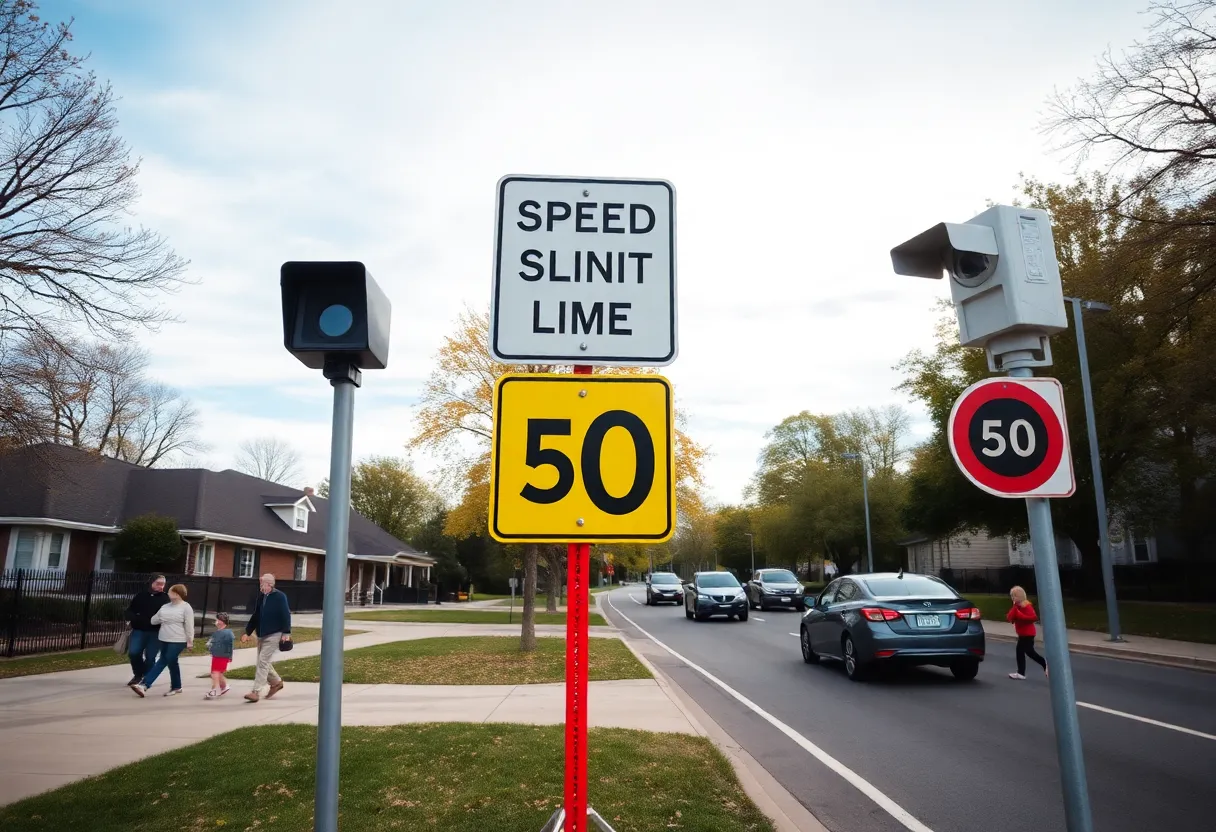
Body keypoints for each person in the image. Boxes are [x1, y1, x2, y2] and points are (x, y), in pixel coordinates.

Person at [131, 583, 194, 697]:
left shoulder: (186, 607)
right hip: (164, 638)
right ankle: (177, 686)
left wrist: (190, 641)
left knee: (163, 660)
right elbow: (153, 621)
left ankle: (144, 684)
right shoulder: (165, 607)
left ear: (176, 593)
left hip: (178, 640)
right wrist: (161, 618)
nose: (167, 593)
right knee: (172, 662)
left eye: (170, 591)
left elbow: (189, 625)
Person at [242, 573, 292, 703]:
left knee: (263, 661)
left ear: (269, 584)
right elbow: (256, 615)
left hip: (275, 634)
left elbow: (286, 614)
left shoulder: (280, 597)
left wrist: (286, 633)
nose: (260, 586)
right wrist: (247, 632)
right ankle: (276, 682)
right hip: (262, 634)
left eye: (262, 583)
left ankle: (256, 692)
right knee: (261, 661)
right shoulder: (262, 597)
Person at [124, 574, 169, 686]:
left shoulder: (166, 598)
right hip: (139, 630)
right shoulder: (141, 596)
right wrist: (133, 618)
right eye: (158, 583)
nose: (161, 586)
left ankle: (145, 680)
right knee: (134, 653)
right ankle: (138, 674)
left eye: (163, 584)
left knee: (150, 656)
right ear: (151, 583)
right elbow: (130, 610)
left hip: (156, 633)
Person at [1007, 585, 1048, 680]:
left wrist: (1019, 615)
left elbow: (1033, 618)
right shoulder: (1017, 607)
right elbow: (1010, 617)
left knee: (1027, 652)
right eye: (1012, 596)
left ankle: (1044, 664)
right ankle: (1021, 673)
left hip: (1028, 634)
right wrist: (1014, 607)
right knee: (1023, 652)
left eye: (1014, 596)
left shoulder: (1027, 606)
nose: (1013, 598)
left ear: (1020, 596)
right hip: (1022, 634)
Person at [205, 612, 235, 699]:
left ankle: (214, 690)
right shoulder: (216, 633)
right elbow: (212, 643)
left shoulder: (228, 633)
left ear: (222, 622)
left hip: (223, 656)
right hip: (216, 656)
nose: (216, 621)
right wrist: (210, 647)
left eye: (217, 620)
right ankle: (224, 687)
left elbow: (230, 646)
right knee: (218, 673)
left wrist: (230, 657)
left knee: (215, 673)